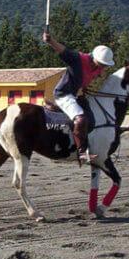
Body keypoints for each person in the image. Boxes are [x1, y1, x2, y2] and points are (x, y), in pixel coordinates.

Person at [43, 30, 114, 164]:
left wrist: (84, 87)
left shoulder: (98, 68)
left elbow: (84, 79)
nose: (103, 67)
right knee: (81, 119)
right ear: (94, 58)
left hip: (76, 94)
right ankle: (81, 152)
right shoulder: (78, 59)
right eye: (102, 64)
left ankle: (82, 143)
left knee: (91, 121)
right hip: (63, 94)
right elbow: (63, 51)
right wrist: (50, 41)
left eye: (105, 65)